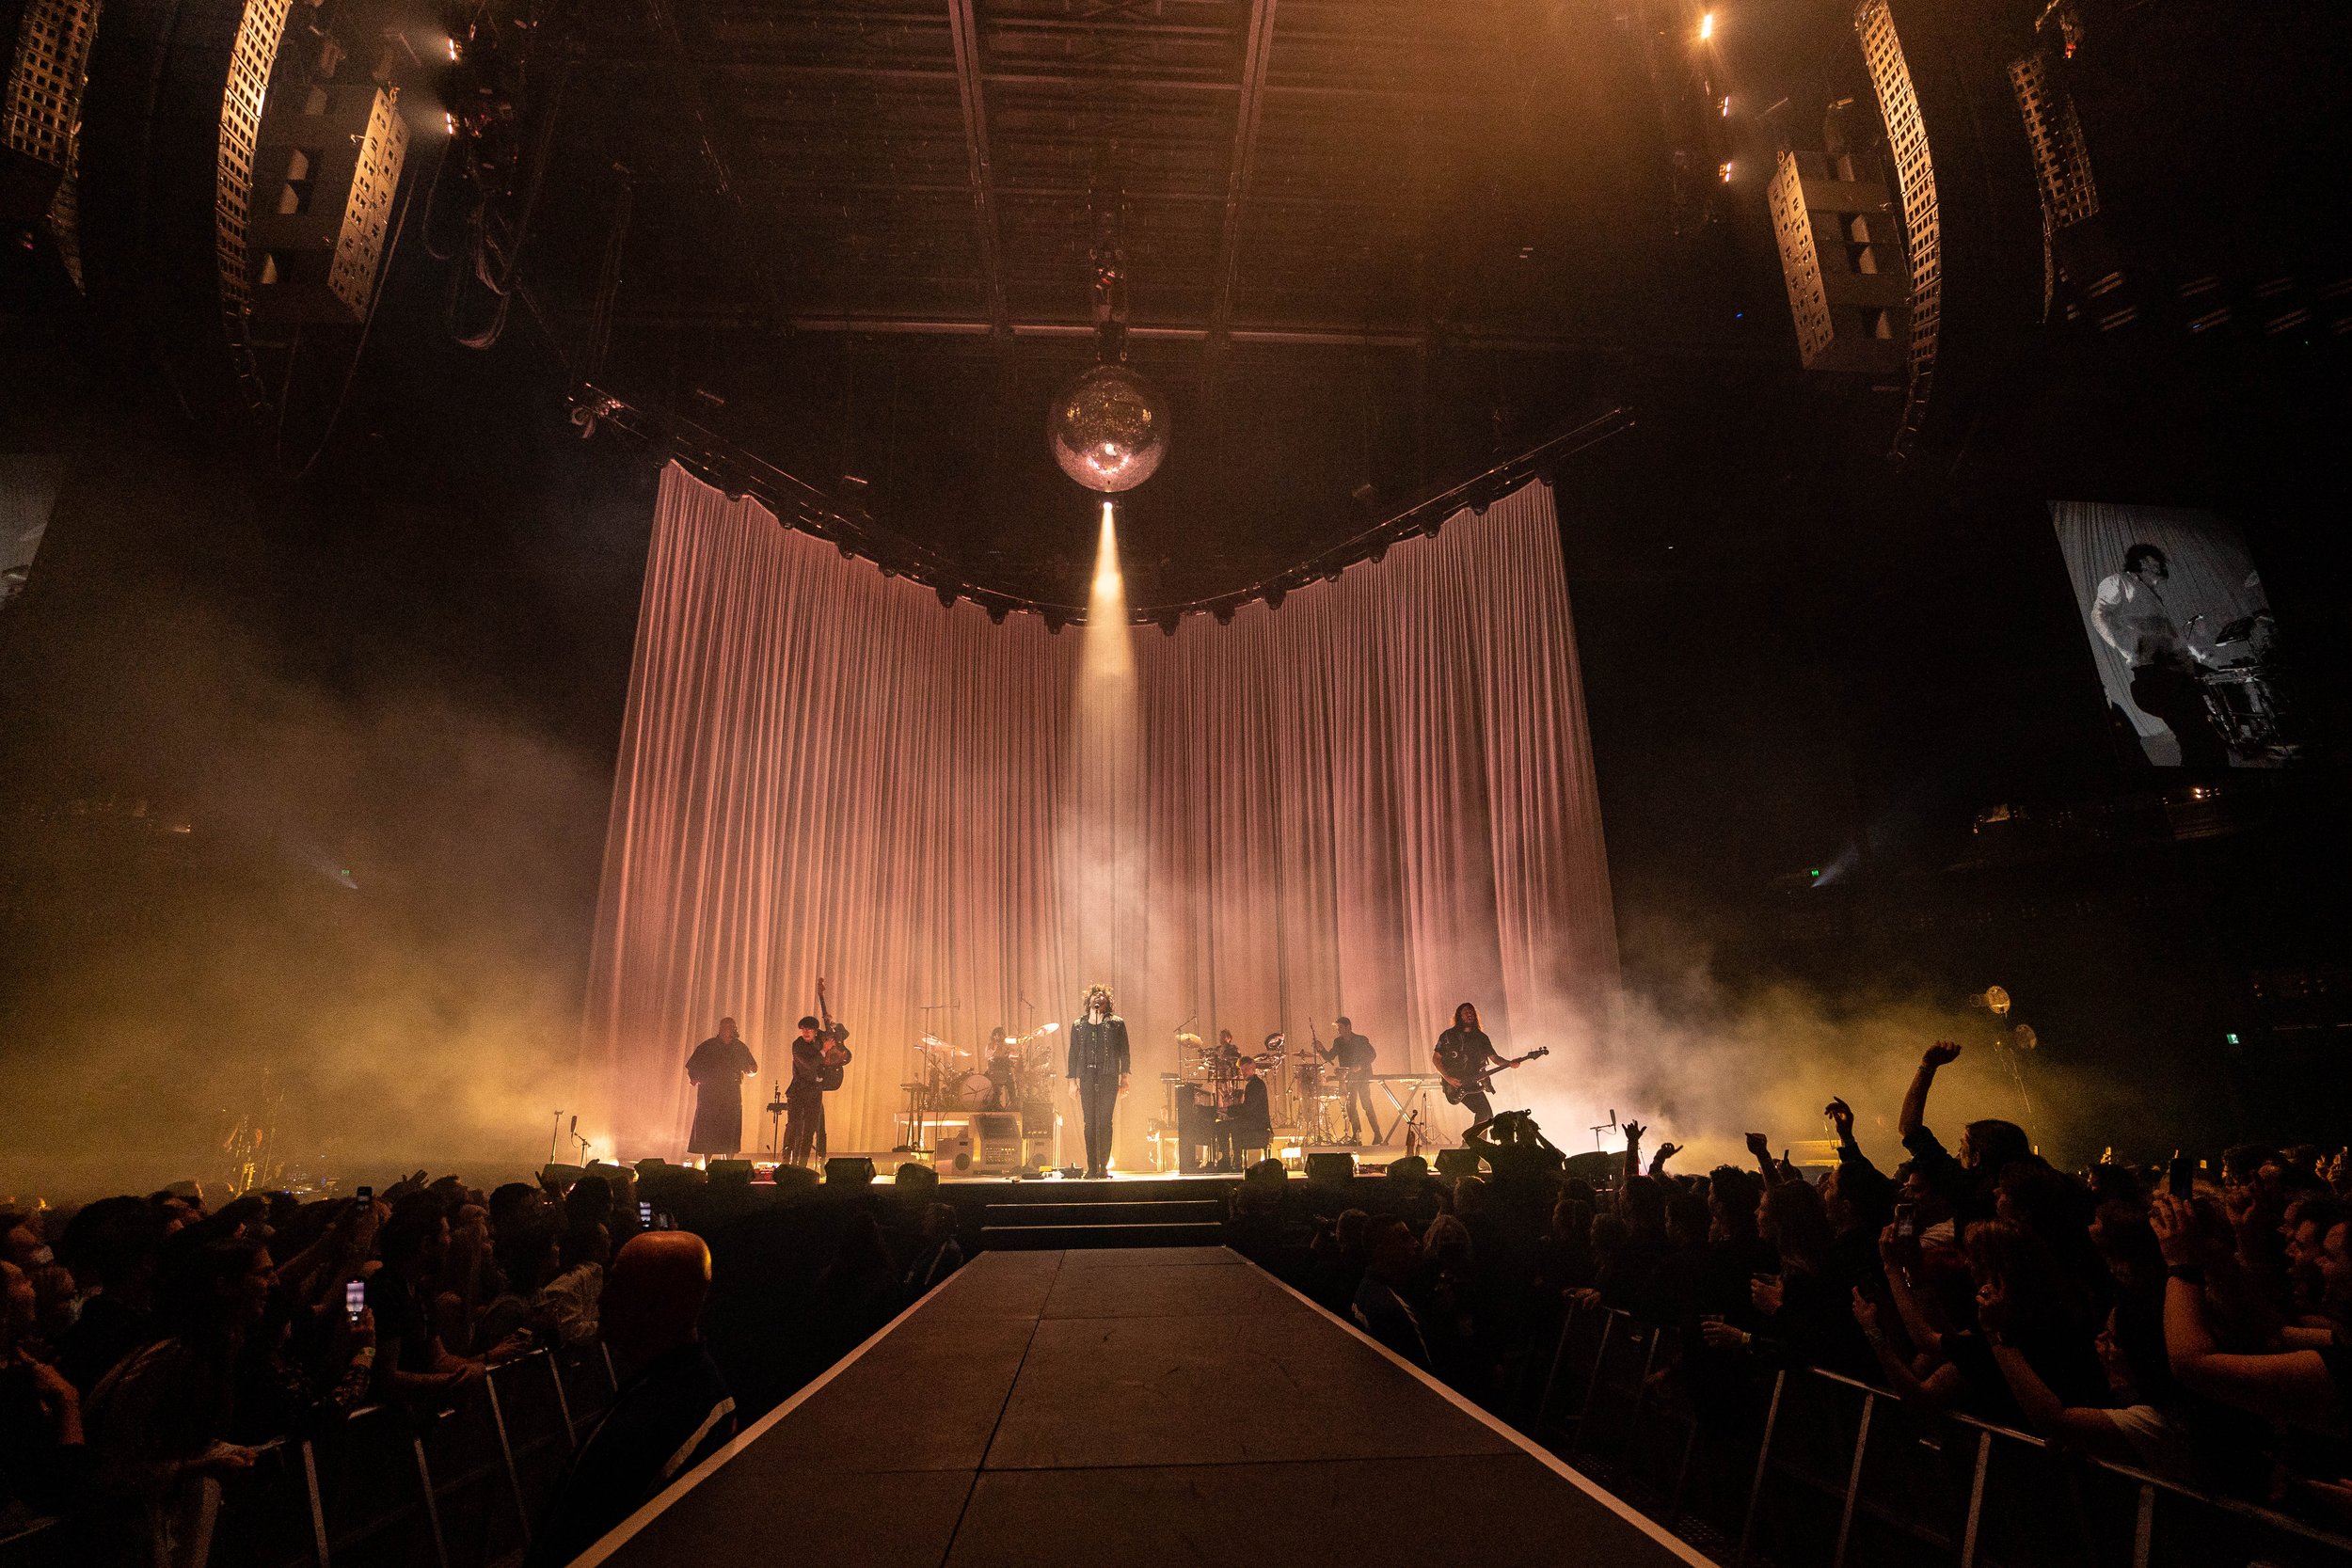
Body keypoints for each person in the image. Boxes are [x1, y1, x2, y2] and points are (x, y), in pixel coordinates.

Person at [523, 1232, 736, 1568]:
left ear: (658, 1306)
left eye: (618, 1285)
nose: (602, 1299)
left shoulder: (646, 1423)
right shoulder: (697, 1390)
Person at [2091, 542, 2229, 768]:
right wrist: (2135, 644)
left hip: (2177, 668)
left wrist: (2194, 652)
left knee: (2200, 733)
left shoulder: (2151, 595)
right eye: (2158, 561)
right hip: (2157, 673)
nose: (2162, 566)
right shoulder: (2118, 582)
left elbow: (2167, 635)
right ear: (2145, 561)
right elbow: (2099, 615)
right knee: (2195, 737)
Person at [1066, 985, 1130, 1180]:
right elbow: (1073, 1053)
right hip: (1086, 1076)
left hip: (1109, 1076)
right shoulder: (1079, 1024)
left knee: (1104, 1122)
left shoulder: (1116, 1023)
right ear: (1089, 1001)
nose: (1099, 998)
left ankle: (1103, 1166)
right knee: (1089, 1123)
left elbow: (1124, 1051)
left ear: (1107, 1002)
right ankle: (1091, 1167)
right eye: (1095, 995)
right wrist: (1072, 1081)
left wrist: (1124, 1078)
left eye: (1102, 996)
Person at [684, 1018, 757, 1164]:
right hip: (710, 1092)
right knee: (708, 1127)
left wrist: (751, 1070)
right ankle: (707, 1164)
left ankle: (728, 1164)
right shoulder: (708, 1046)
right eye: (725, 1026)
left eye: (731, 1027)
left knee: (730, 1128)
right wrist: (694, 1077)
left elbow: (751, 1068)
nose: (728, 1029)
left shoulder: (739, 1047)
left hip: (731, 1092)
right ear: (720, 1028)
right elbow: (693, 1065)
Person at [1433, 1002, 1504, 1131]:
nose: (1469, 1014)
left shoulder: (1481, 1038)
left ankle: (1475, 1146)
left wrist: (1510, 1063)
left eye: (1471, 1011)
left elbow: (1495, 1058)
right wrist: (1448, 1078)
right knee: (1484, 1113)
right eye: (1466, 1012)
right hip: (1457, 1083)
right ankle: (1473, 1144)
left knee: (1487, 1115)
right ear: (1459, 1016)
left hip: (1472, 1083)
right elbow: (1436, 1059)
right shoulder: (1448, 1036)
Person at [782, 1015, 832, 1168]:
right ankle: (787, 1161)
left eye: (809, 1029)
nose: (805, 1032)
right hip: (799, 1091)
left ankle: (802, 1165)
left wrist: (831, 1023)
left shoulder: (820, 1039)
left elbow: (841, 1034)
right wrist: (824, 1050)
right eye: (803, 1029)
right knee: (794, 1127)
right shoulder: (797, 1046)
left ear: (816, 1031)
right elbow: (809, 1065)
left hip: (815, 1091)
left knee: (810, 1129)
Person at [1324, 1016, 1378, 1145]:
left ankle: (1378, 1134)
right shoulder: (1338, 1042)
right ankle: (1357, 1135)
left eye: (1340, 1028)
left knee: (1366, 1105)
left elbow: (1372, 1055)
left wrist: (1360, 1066)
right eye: (1338, 1028)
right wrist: (1320, 1049)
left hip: (1363, 1078)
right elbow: (1330, 1056)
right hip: (1349, 1079)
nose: (1339, 1031)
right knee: (1351, 1107)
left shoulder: (1361, 1040)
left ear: (1348, 1027)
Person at [1216, 1057, 1273, 1171]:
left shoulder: (1256, 1085)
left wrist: (1227, 1110)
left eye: (1246, 1069)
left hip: (1258, 1123)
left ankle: (1228, 1160)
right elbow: (1247, 1109)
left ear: (1253, 1069)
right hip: (1253, 1120)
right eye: (1242, 1070)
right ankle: (1234, 1161)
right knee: (1232, 1125)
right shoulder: (1253, 1084)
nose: (1243, 1073)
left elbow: (1248, 1108)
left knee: (1223, 1126)